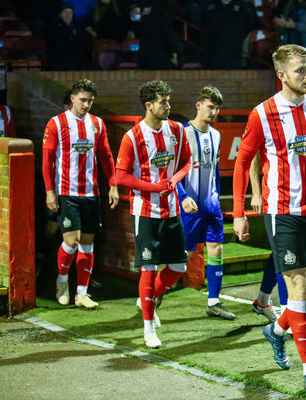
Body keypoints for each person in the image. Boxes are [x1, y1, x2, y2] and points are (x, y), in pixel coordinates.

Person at [232, 44, 306, 398]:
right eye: (300, 70)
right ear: (281, 75)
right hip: (281, 212)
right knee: (296, 288)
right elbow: (242, 162)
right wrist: (240, 211)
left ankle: (278, 329)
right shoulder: (263, 114)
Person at [115, 80, 193, 348]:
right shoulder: (132, 137)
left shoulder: (176, 131)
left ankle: (145, 299)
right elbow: (120, 176)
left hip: (171, 212)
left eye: (168, 101)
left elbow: (186, 162)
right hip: (145, 212)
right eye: (163, 102)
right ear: (148, 105)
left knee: (178, 267)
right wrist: (153, 186)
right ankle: (148, 328)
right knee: (148, 269)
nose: (168, 106)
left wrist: (176, 180)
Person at [251, 64, 306, 324]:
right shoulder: (270, 113)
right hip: (277, 201)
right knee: (288, 261)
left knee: (280, 255)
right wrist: (256, 192)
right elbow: (254, 157)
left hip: (305, 204)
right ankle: (287, 314)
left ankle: (262, 300)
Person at [42, 79, 119, 309]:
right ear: (73, 98)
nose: (86, 105)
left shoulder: (97, 123)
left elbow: (106, 155)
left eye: (90, 101)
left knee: (87, 243)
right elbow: (47, 161)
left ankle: (82, 293)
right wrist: (49, 192)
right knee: (71, 241)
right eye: (83, 100)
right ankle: (62, 281)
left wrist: (113, 184)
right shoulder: (56, 123)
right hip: (67, 191)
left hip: (91, 193)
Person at [175, 86, 236, 320]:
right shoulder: (182, 133)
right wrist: (183, 198)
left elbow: (216, 170)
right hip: (190, 208)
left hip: (211, 207)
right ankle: (154, 291)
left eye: (217, 108)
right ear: (198, 105)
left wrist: (217, 197)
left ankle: (214, 302)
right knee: (187, 253)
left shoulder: (217, 135)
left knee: (217, 249)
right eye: (211, 106)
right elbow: (174, 172)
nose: (214, 112)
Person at [273, 0, 306, 68]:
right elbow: (286, 25)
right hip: (291, 48)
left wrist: (295, 25)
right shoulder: (290, 4)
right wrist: (281, 24)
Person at [46, 2, 93, 71]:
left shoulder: (78, 27)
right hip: (62, 62)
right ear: (59, 14)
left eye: (70, 12)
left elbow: (86, 40)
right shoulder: (53, 28)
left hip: (79, 61)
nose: (68, 15)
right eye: (65, 12)